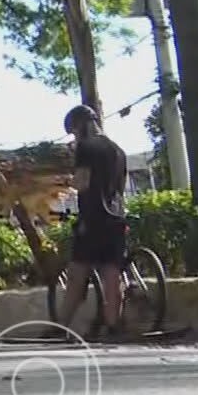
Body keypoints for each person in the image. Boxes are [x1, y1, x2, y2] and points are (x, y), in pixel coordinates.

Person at [55, 104, 128, 336]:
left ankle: (60, 329)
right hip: (116, 219)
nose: (74, 137)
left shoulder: (86, 148)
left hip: (92, 219)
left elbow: (82, 182)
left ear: (80, 126)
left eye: (74, 132)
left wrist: (65, 181)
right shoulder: (118, 151)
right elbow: (119, 189)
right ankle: (113, 327)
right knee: (112, 275)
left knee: (77, 275)